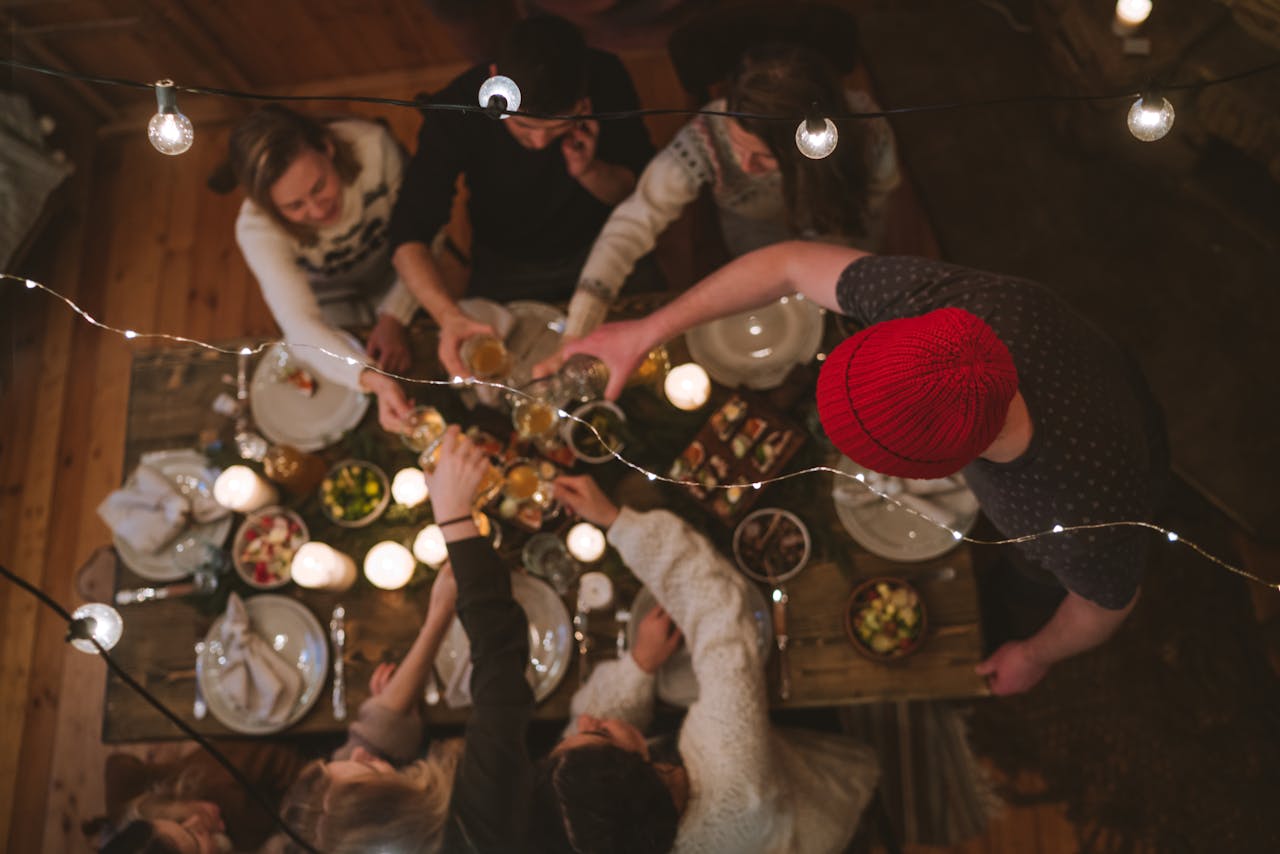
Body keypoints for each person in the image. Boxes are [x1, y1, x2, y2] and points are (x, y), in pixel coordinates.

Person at [564, 242, 1169, 696]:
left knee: (1022, 582)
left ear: (946, 469)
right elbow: (790, 264)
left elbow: (1105, 606)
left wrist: (1035, 655)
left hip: (1126, 449)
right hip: (1098, 365)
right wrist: (647, 330)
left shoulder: (1079, 515)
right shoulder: (967, 312)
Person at [532, 474, 879, 853]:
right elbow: (720, 610)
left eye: (568, 739)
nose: (585, 718)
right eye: (600, 733)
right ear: (643, 763)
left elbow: (588, 743)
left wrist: (641, 663)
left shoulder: (614, 835)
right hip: (798, 804)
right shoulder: (730, 766)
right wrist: (616, 520)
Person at [272, 426, 533, 853]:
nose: (356, 755)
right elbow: (500, 655)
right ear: (397, 824)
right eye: (368, 772)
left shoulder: (336, 831)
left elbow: (373, 736)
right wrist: (452, 514)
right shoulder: (480, 826)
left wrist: (435, 621)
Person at [560, 42, 899, 340]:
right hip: (752, 252)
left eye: (765, 157)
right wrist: (584, 315)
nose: (745, 165)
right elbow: (637, 218)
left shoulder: (867, 134)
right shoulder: (708, 135)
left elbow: (871, 218)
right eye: (738, 146)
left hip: (839, 249)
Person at [387, 14, 655, 377]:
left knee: (642, 359)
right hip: (506, 263)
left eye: (558, 127)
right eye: (524, 126)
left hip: (606, 244)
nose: (540, 142)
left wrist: (589, 171)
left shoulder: (607, 77)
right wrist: (448, 317)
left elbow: (635, 193)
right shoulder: (456, 110)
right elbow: (409, 234)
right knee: (506, 378)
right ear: (496, 79)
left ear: (584, 99)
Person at [227, 105, 418, 432]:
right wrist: (372, 379)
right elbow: (300, 325)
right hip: (330, 304)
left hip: (399, 272)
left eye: (319, 186)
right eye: (294, 206)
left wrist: (395, 314)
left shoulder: (374, 148)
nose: (317, 210)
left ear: (327, 148)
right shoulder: (256, 228)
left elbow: (425, 235)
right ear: (268, 205)